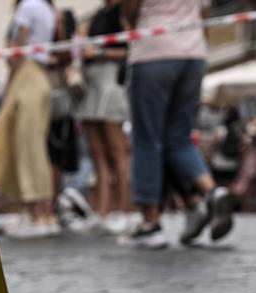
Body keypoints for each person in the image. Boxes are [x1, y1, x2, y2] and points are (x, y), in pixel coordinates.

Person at [121, 0, 235, 249]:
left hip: (153, 51)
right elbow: (204, 13)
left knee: (147, 139)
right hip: (193, 53)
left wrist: (129, 21)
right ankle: (212, 192)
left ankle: (150, 224)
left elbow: (130, 9)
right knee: (179, 137)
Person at [0, 0, 57, 238]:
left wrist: (11, 82)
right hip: (39, 77)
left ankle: (37, 213)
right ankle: (41, 212)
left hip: (27, 77)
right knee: (33, 147)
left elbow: (19, 49)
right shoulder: (46, 8)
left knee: (28, 148)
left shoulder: (28, 7)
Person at [76, 0, 131, 235]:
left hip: (110, 82)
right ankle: (103, 210)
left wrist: (99, 51)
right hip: (92, 83)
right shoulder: (99, 13)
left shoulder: (123, 12)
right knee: (97, 152)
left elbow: (129, 47)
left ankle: (125, 210)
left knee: (117, 150)